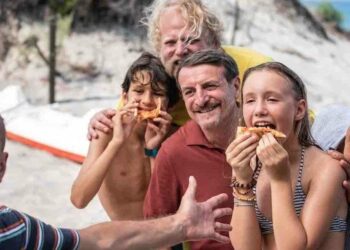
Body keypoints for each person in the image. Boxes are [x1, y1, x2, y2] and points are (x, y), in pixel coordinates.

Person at [0, 115, 233, 249]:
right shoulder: (15, 229)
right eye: (138, 91)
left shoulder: (16, 229)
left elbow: (98, 240)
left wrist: (180, 225)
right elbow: (80, 201)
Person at [87, 0, 271, 137]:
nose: (181, 50)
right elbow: (124, 131)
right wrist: (101, 121)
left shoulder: (257, 70)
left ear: (214, 42)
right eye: (170, 42)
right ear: (159, 49)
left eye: (192, 40)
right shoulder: (151, 84)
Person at [226, 62, 347, 249]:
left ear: (299, 110)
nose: (259, 110)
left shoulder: (326, 169)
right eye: (250, 100)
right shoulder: (248, 164)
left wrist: (279, 180)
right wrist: (242, 180)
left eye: (272, 99)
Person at [144, 49, 240, 250]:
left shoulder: (265, 132)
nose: (201, 99)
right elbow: (154, 236)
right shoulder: (173, 152)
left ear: (236, 86)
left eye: (210, 86)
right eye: (189, 91)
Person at [70, 52, 179, 220]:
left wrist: (152, 150)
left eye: (157, 93)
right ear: (125, 96)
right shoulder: (106, 130)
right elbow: (79, 199)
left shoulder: (174, 136)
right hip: (127, 238)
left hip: (165, 237)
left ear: (170, 105)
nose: (147, 100)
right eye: (139, 91)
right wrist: (116, 142)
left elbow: (166, 205)